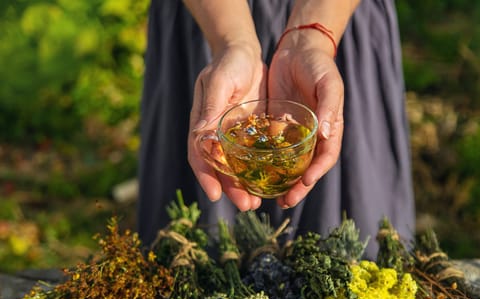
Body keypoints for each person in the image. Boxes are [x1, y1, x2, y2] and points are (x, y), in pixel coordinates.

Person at [138, 0, 415, 259]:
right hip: (210, 18)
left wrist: (313, 37)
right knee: (197, 256)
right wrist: (232, 39)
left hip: (336, 16)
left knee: (356, 258)